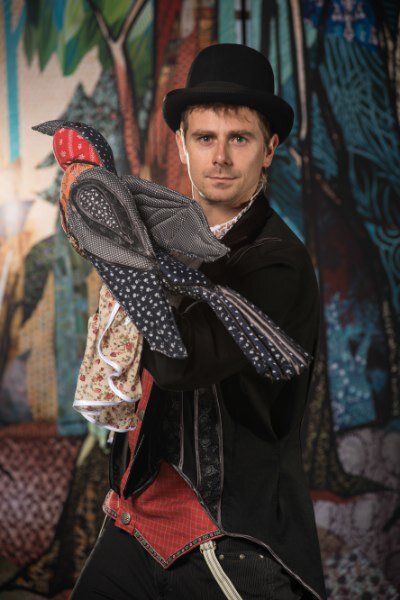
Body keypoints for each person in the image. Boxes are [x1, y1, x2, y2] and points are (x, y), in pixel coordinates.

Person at [71, 43, 326, 600]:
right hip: (135, 524)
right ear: (182, 146)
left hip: (230, 536)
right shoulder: (164, 239)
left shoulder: (277, 263)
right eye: (206, 138)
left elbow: (180, 362)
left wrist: (119, 252)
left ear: (269, 149)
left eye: (240, 139)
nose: (221, 157)